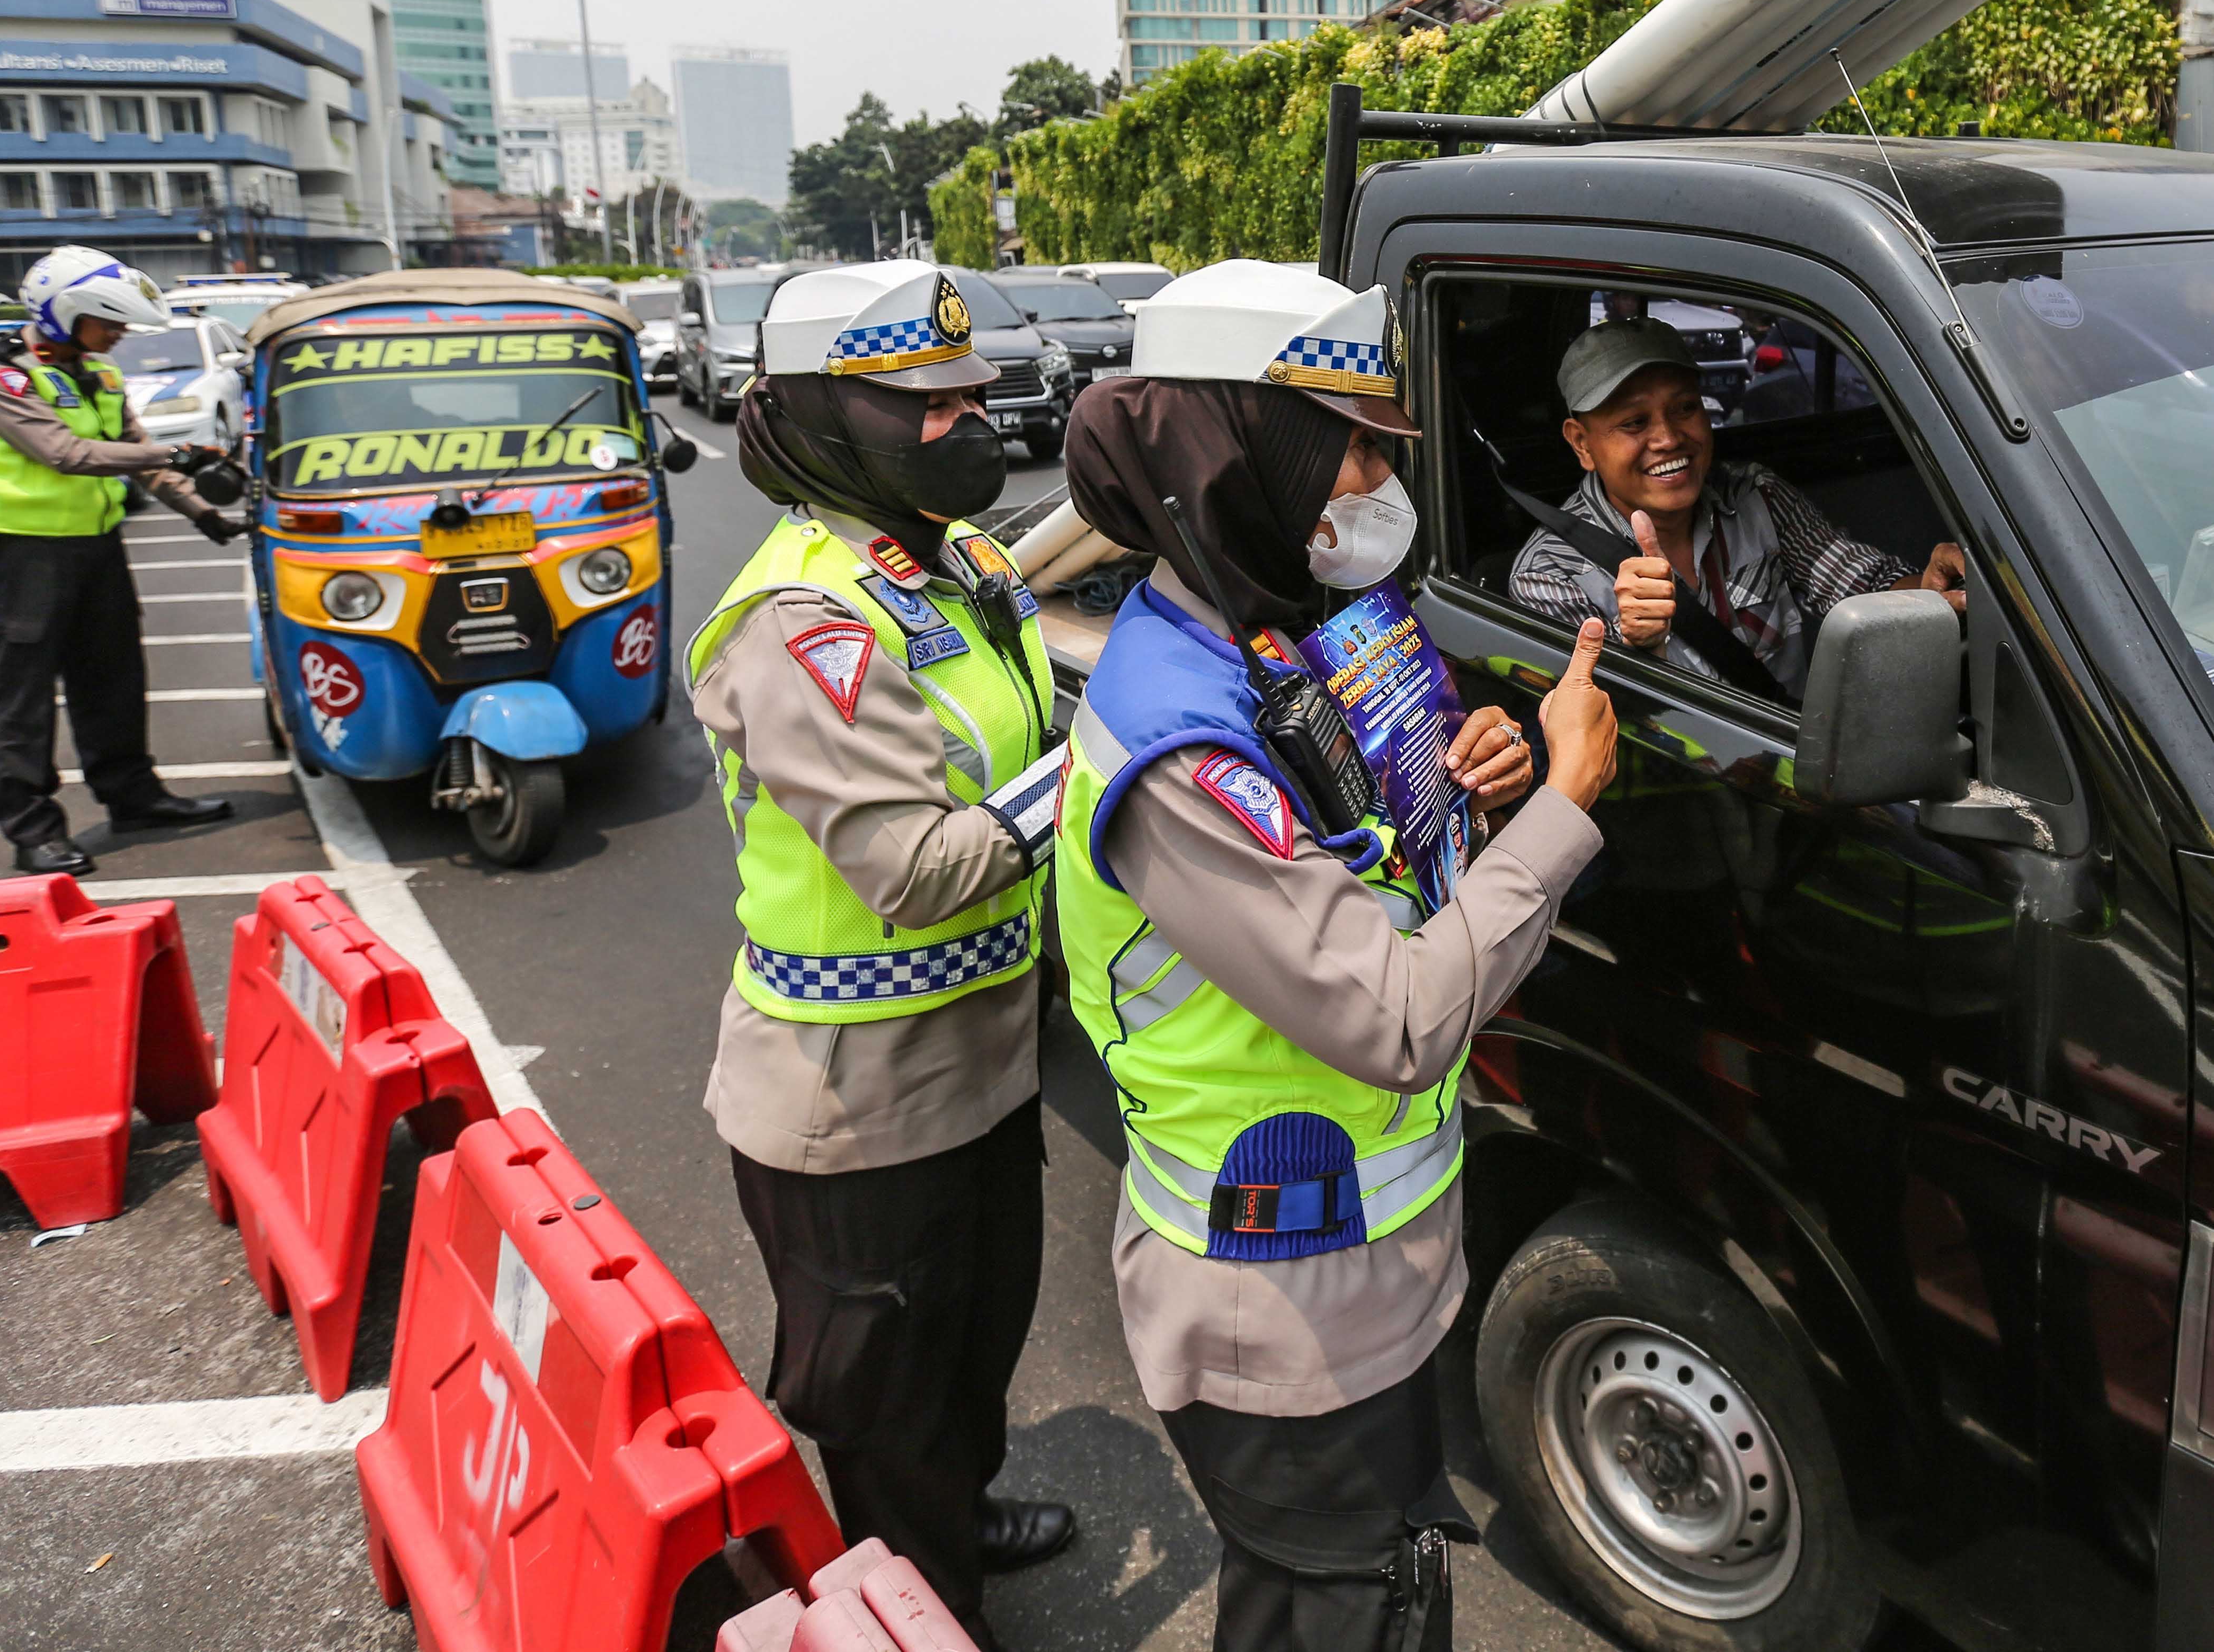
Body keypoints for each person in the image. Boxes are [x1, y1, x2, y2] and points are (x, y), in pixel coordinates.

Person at [1054, 258, 1622, 1651]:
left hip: (1376, 1274)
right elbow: (1395, 1016)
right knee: (1337, 1614)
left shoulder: (1274, 638)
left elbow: (1368, 858)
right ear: (1238, 449)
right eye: (1349, 447)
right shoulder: (1182, 737)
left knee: (1388, 1590)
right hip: (1278, 1322)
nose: (1373, 482)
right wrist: (1559, 811)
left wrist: (1475, 783)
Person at [683, 260, 1073, 1652]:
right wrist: (1097, 769)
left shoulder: (949, 559)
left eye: (972, 391)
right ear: (821, 418)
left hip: (983, 1060)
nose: (967, 419)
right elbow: (914, 868)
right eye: (927, 402)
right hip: (851, 1105)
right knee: (890, 1401)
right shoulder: (804, 621)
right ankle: (919, 1601)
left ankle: (950, 1524)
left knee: (974, 1351)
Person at [0, 245, 243, 877]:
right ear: (64, 315)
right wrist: (176, 454)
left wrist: (205, 515)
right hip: (19, 554)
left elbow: (136, 450)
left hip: (95, 547)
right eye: (108, 321)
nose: (120, 333)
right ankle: (34, 832)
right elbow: (64, 453)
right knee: (21, 699)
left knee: (113, 679)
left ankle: (134, 797)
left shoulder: (100, 375)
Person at [1509, 315, 1966, 700]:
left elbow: (1857, 583)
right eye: (1634, 422)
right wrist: (1639, 644)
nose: (1668, 439)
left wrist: (1928, 591)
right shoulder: (1547, 575)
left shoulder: (1754, 494)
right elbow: (1594, 728)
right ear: (1581, 444)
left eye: (1685, 408)